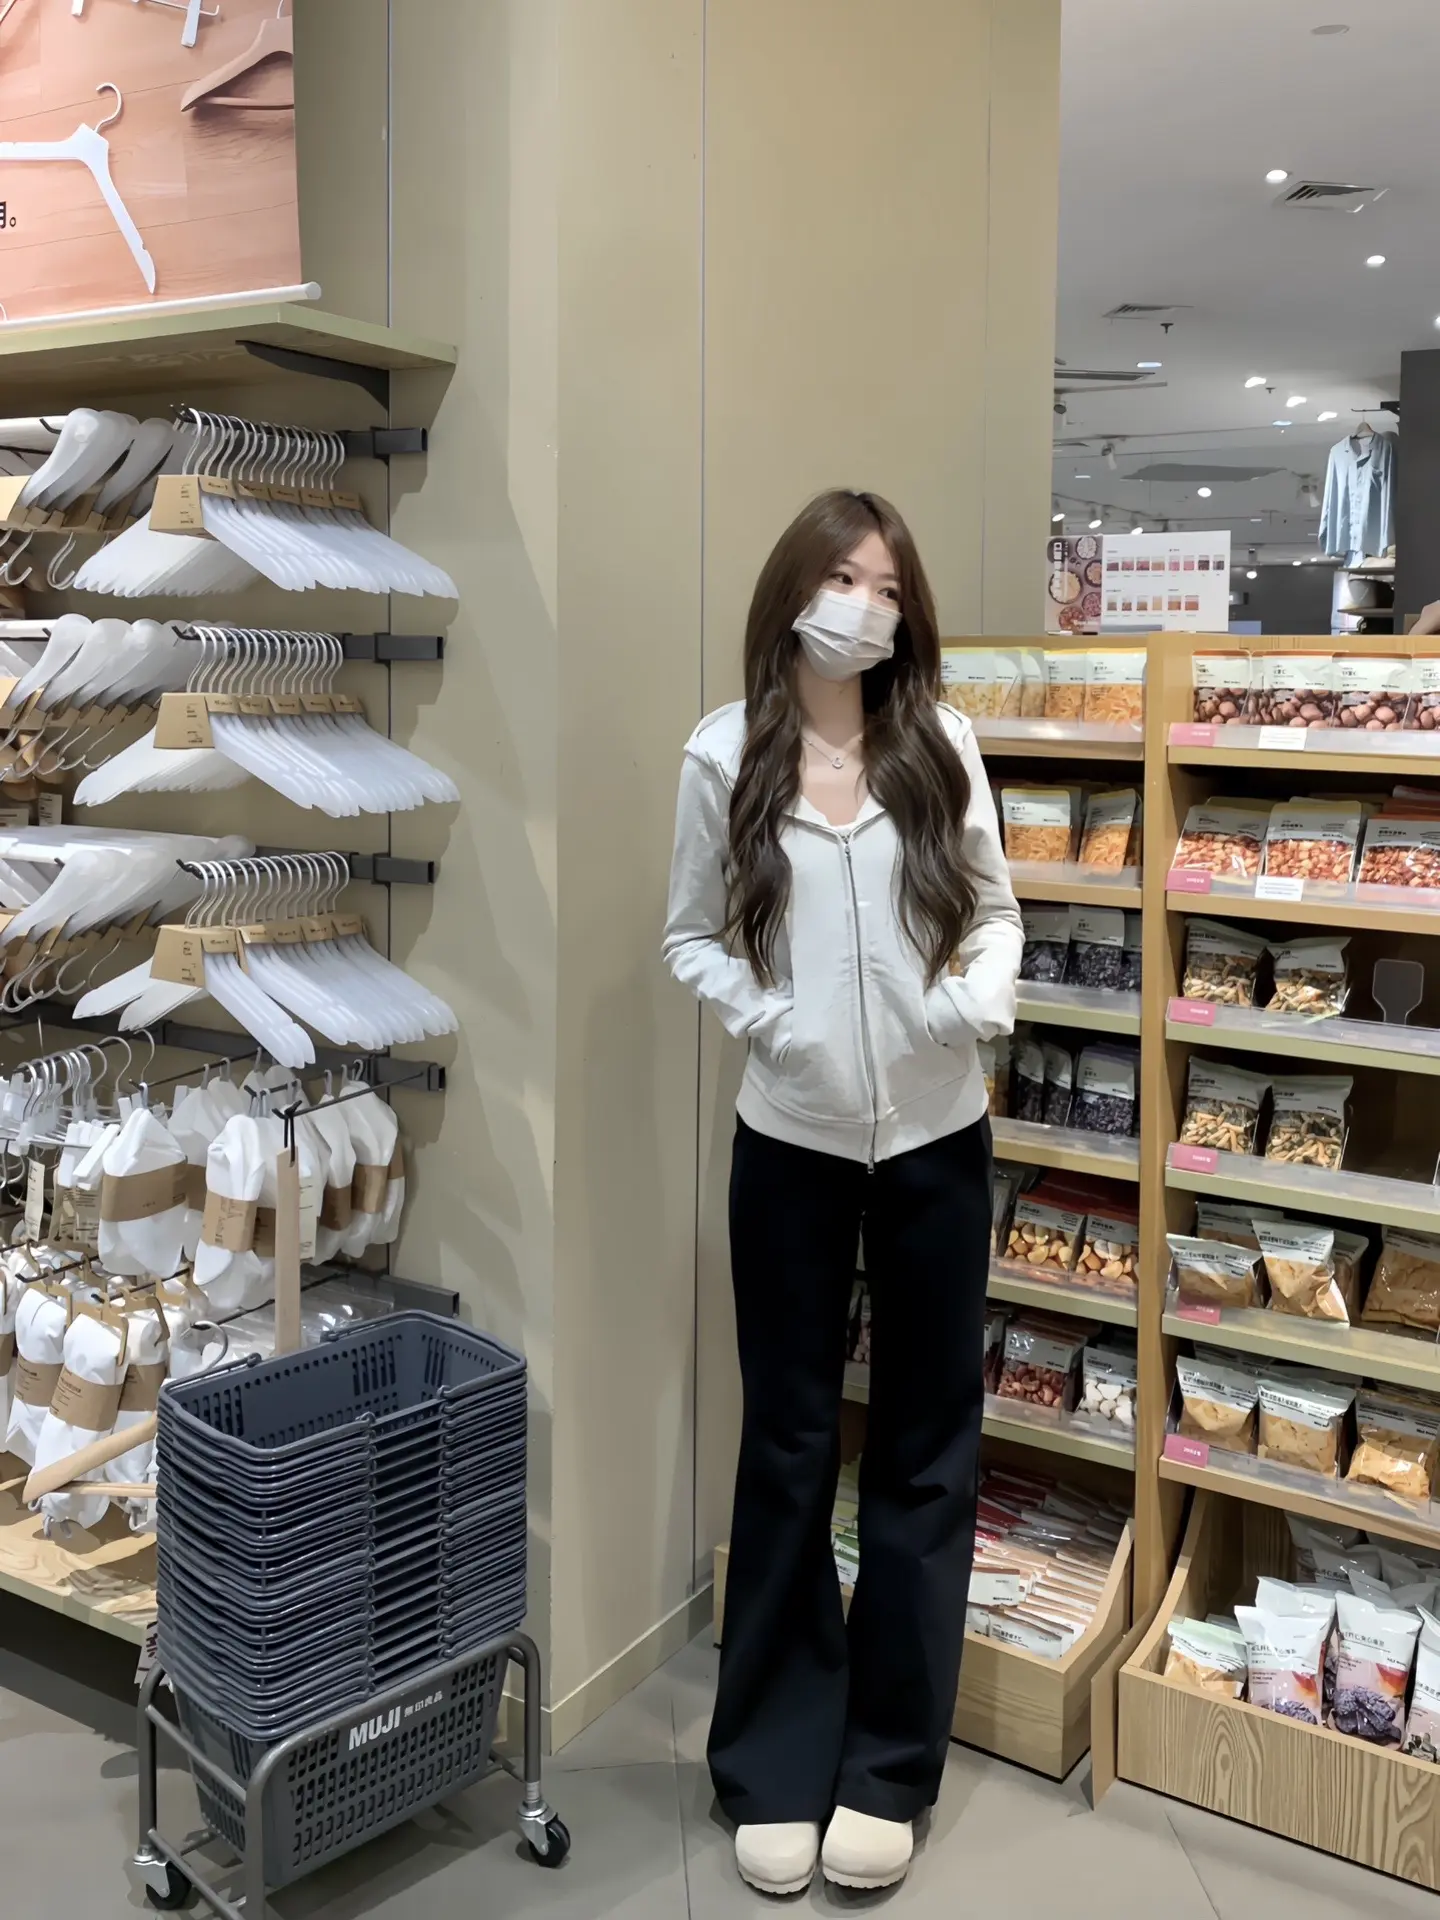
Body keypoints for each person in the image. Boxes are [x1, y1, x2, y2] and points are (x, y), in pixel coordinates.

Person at [663, 489, 1023, 1895]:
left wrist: (971, 1003)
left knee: (928, 1446)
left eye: (887, 586)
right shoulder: (724, 755)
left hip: (937, 1134)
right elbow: (690, 937)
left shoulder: (940, 745)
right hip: (791, 1140)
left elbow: (996, 911)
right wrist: (771, 1021)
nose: (864, 606)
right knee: (790, 1444)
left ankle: (888, 1766)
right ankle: (771, 1761)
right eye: (842, 578)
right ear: (793, 591)